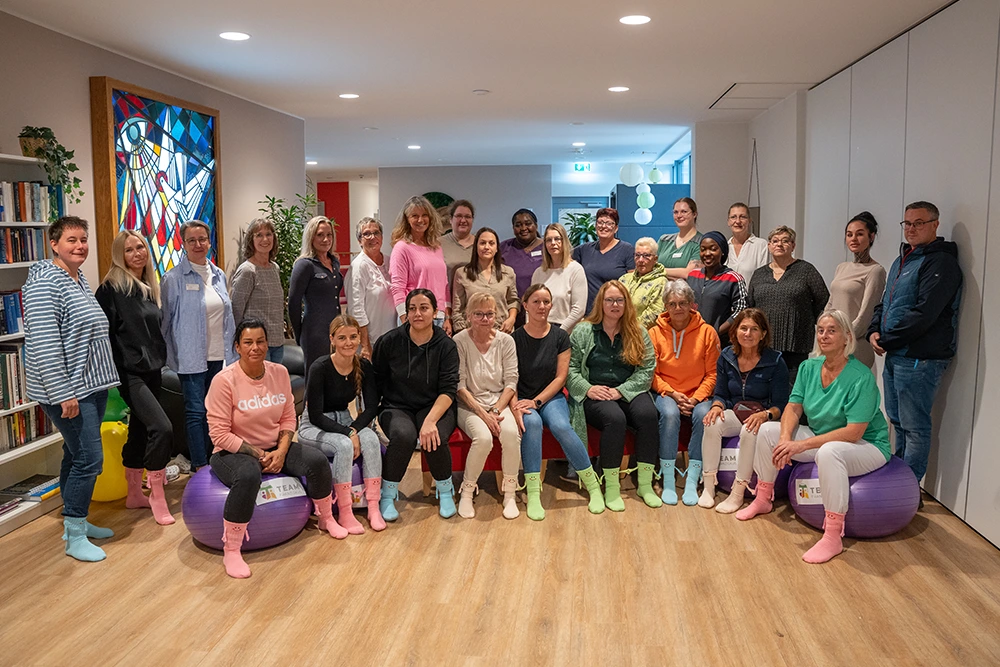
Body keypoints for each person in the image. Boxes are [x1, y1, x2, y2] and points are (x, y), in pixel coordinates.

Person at [739, 310, 891, 564]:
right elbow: (793, 406)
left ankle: (833, 537)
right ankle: (763, 498)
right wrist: (786, 439)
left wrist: (801, 445)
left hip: (866, 445)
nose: (824, 335)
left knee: (828, 452)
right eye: (820, 330)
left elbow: (854, 432)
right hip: (823, 436)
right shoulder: (809, 367)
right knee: (767, 431)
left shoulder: (861, 376)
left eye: (832, 330)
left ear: (846, 337)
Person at [206, 319, 339, 578]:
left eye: (260, 341)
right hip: (231, 451)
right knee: (248, 475)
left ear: (267, 344)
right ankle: (231, 550)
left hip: (274, 445)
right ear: (237, 347)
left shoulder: (279, 372)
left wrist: (280, 450)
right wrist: (257, 454)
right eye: (248, 342)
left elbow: (289, 417)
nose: (255, 347)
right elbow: (219, 434)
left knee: (317, 461)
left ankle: (326, 517)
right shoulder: (224, 381)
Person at [23, 216, 120, 562]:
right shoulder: (44, 283)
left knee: (74, 452)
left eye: (83, 239)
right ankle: (75, 535)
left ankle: (72, 519)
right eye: (71, 240)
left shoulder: (76, 278)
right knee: (89, 458)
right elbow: (46, 344)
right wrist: (64, 393)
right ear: (54, 244)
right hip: (69, 389)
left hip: (92, 384)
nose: (80, 246)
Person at [868, 201, 962, 483]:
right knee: (897, 421)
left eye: (919, 223)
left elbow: (924, 314)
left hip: (921, 357)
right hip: (897, 353)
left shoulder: (941, 263)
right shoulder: (902, 260)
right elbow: (884, 303)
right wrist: (874, 330)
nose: (911, 229)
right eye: (907, 223)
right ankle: (897, 479)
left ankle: (907, 487)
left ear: (935, 224)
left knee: (915, 426)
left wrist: (887, 338)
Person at [95, 230, 174, 526]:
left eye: (140, 246)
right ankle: (156, 493)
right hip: (129, 373)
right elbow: (103, 336)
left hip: (153, 368)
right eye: (129, 250)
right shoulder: (111, 289)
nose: (137, 253)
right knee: (162, 427)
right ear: (120, 255)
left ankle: (133, 493)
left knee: (140, 430)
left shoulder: (147, 287)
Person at [512, 284, 605, 518]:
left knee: (562, 426)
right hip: (523, 397)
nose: (541, 306)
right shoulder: (514, 338)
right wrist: (517, 405)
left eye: (546, 302)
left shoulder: (560, 336)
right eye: (536, 302)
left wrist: (538, 401)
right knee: (531, 425)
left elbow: (561, 377)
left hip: (550, 396)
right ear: (525, 305)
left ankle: (592, 485)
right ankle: (533, 492)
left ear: (551, 305)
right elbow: (509, 378)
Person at [567, 280, 660, 511]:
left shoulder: (638, 331)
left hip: (627, 388)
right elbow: (570, 369)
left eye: (619, 300)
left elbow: (647, 368)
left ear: (626, 303)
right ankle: (610, 486)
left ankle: (645, 485)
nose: (615, 304)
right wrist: (588, 388)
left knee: (649, 414)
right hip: (594, 391)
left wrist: (622, 391)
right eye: (609, 300)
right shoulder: (583, 330)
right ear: (601, 302)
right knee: (615, 419)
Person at [372, 289, 459, 520]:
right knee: (403, 435)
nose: (417, 313)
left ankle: (445, 490)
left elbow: (448, 390)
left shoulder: (446, 346)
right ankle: (388, 495)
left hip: (435, 405)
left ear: (435, 312)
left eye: (424, 308)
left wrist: (430, 420)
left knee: (435, 435)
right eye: (412, 308)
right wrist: (368, 414)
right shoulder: (389, 342)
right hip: (396, 406)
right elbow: (376, 381)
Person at [161, 220, 237, 471]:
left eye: (202, 239)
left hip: (220, 355)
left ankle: (217, 461)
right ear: (183, 244)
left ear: (209, 241)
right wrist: (170, 358)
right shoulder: (173, 278)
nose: (198, 244)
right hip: (191, 358)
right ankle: (200, 466)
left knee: (218, 412)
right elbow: (167, 322)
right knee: (196, 412)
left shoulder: (218, 275)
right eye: (191, 240)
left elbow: (227, 316)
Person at [299, 315, 385, 534]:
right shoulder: (320, 367)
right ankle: (345, 512)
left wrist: (354, 429)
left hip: (345, 420)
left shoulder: (363, 365)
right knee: (344, 445)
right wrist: (348, 434)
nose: (349, 343)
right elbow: (316, 415)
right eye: (342, 338)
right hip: (314, 425)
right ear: (332, 339)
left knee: (372, 439)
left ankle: (373, 506)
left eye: (353, 337)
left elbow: (372, 407)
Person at [702, 308, 789, 513]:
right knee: (712, 423)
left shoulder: (775, 361)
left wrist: (765, 415)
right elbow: (721, 393)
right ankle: (708, 486)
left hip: (764, 416)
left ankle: (738, 492)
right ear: (735, 331)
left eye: (754, 329)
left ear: (763, 334)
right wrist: (716, 406)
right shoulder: (726, 356)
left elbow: (782, 404)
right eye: (743, 328)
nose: (748, 334)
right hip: (735, 410)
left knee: (748, 430)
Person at [648, 280, 720, 506]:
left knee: (703, 416)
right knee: (670, 415)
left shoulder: (708, 333)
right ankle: (668, 480)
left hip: (698, 394)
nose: (677, 308)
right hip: (667, 394)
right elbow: (650, 373)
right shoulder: (653, 333)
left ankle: (692, 479)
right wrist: (671, 393)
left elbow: (712, 373)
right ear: (665, 307)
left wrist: (696, 398)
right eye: (672, 304)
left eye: (682, 303)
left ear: (692, 305)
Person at [454, 293, 521, 519]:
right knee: (482, 438)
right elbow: (460, 386)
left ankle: (510, 493)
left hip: (498, 403)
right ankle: (467, 491)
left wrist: (495, 410)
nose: (485, 319)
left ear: (496, 315)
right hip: (469, 405)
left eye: (490, 314)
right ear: (468, 316)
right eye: (479, 314)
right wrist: (483, 414)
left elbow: (511, 382)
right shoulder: (459, 341)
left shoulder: (506, 341)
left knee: (511, 433)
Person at [746, 226, 829, 385]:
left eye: (785, 241)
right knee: (764, 390)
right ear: (769, 245)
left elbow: (823, 299)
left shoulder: (806, 270)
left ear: (793, 245)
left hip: (796, 344)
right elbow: (751, 306)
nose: (779, 244)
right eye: (775, 241)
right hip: (764, 346)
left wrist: (804, 319)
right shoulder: (759, 274)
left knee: (793, 393)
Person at [826, 212, 888, 369]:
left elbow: (866, 315)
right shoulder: (842, 267)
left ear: (871, 237)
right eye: (849, 234)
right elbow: (830, 304)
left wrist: (843, 339)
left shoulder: (875, 270)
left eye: (859, 234)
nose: (853, 239)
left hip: (855, 345)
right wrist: (824, 331)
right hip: (833, 343)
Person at [288, 215, 344, 374]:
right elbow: (293, 302)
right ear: (311, 237)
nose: (325, 239)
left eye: (329, 235)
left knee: (335, 377)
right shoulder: (304, 265)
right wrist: (299, 334)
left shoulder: (334, 262)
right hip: (315, 333)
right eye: (320, 235)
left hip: (336, 331)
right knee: (316, 380)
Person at [389, 196, 452, 334]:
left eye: (424, 215)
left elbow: (444, 285)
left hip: (438, 317)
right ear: (407, 219)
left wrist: (447, 316)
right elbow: (397, 287)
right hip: (414, 318)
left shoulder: (436, 247)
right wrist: (405, 318)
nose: (420, 220)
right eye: (414, 216)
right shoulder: (402, 248)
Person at [230, 217, 286, 363]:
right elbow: (236, 310)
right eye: (259, 235)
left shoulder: (275, 268)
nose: (265, 239)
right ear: (251, 240)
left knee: (273, 384)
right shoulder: (248, 271)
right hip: (255, 344)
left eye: (268, 234)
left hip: (276, 341)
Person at [345, 217, 395, 360]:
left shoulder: (390, 261)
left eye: (376, 233)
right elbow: (356, 309)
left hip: (392, 337)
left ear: (382, 236)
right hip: (371, 341)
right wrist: (366, 345)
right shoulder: (358, 266)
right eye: (366, 234)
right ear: (360, 240)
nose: (372, 237)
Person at [452, 227, 519, 334]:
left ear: (497, 248)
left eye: (491, 243)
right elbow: (457, 309)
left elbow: (513, 301)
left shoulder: (508, 273)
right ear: (476, 247)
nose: (487, 247)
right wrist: (464, 334)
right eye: (482, 243)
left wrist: (511, 319)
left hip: (502, 332)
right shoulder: (462, 273)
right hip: (471, 334)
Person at [572, 208, 635, 313]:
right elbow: (564, 258)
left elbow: (633, 284)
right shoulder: (584, 249)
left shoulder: (626, 249)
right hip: (589, 313)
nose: (604, 226)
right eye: (600, 222)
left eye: (609, 223)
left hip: (616, 312)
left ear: (616, 228)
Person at [686, 230, 747, 336]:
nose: (707, 253)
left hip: (720, 342)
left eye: (713, 249)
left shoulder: (733, 278)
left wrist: (716, 331)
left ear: (722, 251)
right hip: (692, 339)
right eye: (703, 249)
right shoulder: (692, 276)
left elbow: (742, 310)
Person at [530, 223, 588, 332]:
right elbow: (530, 306)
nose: (553, 243)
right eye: (548, 240)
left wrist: (559, 333)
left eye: (557, 239)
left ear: (564, 241)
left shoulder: (575, 269)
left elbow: (578, 310)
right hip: (539, 330)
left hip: (565, 331)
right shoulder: (539, 273)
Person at [619, 237, 667, 330]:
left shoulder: (661, 282)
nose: (641, 260)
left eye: (646, 256)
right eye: (637, 255)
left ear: (655, 259)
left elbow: (654, 314)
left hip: (643, 335)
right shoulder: (624, 279)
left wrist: (629, 329)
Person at [499, 208, 545, 300]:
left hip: (541, 305)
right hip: (512, 306)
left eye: (528, 224)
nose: (524, 228)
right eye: (518, 225)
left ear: (535, 225)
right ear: (513, 228)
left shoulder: (547, 248)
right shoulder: (504, 247)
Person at [657, 197, 703, 278]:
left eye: (684, 212)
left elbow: (689, 274)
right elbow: (649, 266)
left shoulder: (701, 242)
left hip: (686, 290)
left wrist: (658, 271)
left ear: (694, 214)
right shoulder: (664, 240)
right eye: (675, 212)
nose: (679, 216)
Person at [725, 202, 770, 282]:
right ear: (728, 222)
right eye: (733, 217)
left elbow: (764, 278)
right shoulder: (724, 247)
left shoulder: (761, 245)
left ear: (749, 221)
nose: (738, 221)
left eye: (743, 217)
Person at [440, 199, 476, 286]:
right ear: (451, 219)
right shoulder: (438, 244)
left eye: (467, 216)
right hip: (447, 297)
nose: (463, 220)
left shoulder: (480, 244)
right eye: (459, 216)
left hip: (475, 298)